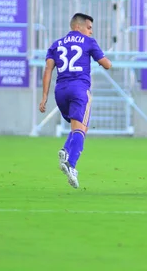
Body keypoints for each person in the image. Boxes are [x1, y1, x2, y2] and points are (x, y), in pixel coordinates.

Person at [39, 13, 112, 189]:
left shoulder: (56, 45)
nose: (91, 32)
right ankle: (71, 164)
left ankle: (65, 151)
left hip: (60, 91)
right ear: (78, 27)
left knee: (79, 127)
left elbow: (48, 70)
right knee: (80, 129)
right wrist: (106, 61)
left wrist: (44, 97)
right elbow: (106, 64)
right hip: (79, 89)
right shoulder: (88, 42)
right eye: (89, 28)